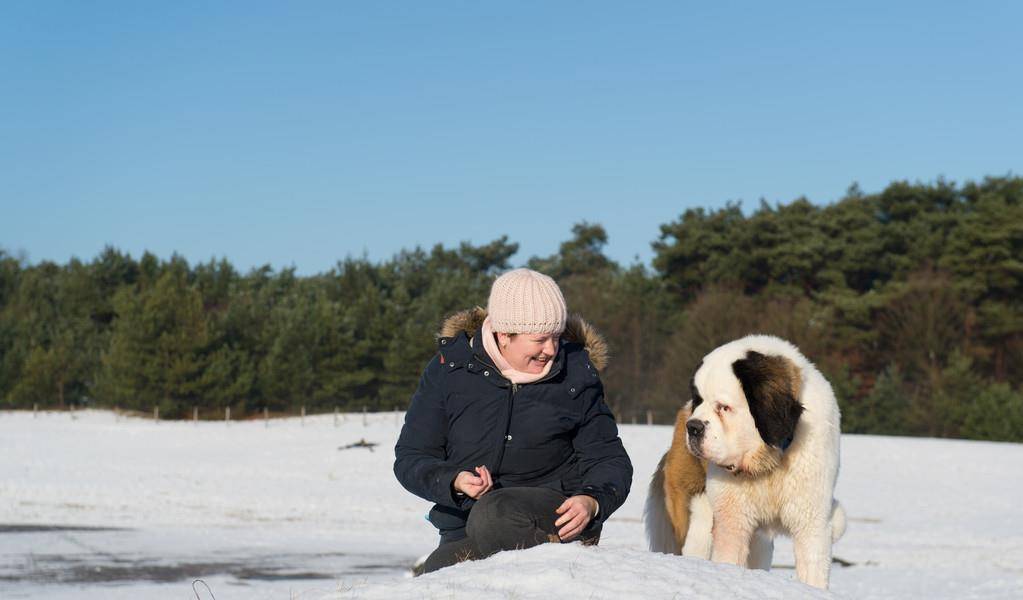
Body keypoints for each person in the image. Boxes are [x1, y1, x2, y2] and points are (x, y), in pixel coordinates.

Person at [394, 268, 633, 574]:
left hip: (550, 516)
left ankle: (567, 573)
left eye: (557, 337)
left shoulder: (576, 374)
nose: (551, 349)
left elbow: (609, 459)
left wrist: (592, 500)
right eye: (540, 339)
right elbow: (411, 458)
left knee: (493, 513)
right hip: (465, 525)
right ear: (504, 335)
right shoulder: (448, 371)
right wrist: (453, 481)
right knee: (438, 568)